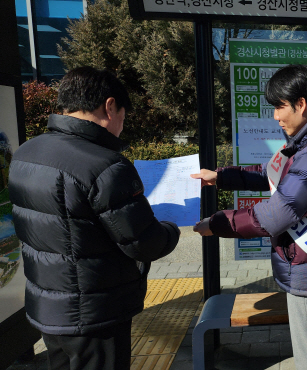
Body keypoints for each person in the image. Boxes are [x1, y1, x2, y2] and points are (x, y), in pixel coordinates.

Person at [191, 64, 307, 370]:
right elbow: (270, 174)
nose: (275, 116)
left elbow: (275, 214)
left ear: (301, 104)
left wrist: (216, 224)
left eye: (279, 107)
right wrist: (221, 176)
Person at [8, 66, 180, 370]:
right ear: (110, 106)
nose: (121, 128)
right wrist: (170, 228)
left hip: (48, 309)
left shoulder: (26, 153)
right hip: (95, 313)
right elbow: (144, 244)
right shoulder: (104, 165)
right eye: (123, 119)